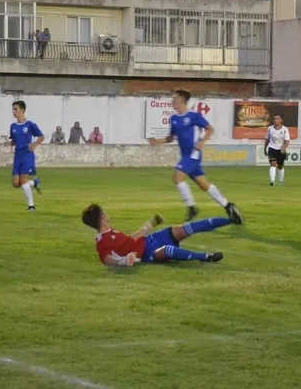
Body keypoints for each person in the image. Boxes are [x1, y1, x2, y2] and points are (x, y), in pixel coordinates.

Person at [148, 88, 243, 224]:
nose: (172, 101)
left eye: (175, 99)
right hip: (186, 156)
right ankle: (228, 206)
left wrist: (202, 141)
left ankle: (192, 207)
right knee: (204, 185)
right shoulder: (174, 118)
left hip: (193, 154)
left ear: (182, 101)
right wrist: (157, 141)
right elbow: (170, 138)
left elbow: (210, 129)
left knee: (177, 176)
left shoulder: (193, 116)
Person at [82, 204, 227, 267]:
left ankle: (230, 219)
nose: (107, 213)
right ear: (101, 218)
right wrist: (123, 261)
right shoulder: (102, 241)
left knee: (187, 228)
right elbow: (107, 260)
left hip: (151, 239)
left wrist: (151, 224)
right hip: (148, 253)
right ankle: (206, 257)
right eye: (104, 212)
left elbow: (132, 239)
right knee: (168, 250)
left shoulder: (111, 232)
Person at [5, 100, 44, 211]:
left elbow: (41, 136)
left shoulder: (30, 125)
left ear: (22, 110)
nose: (13, 111)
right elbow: (15, 141)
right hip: (17, 155)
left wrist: (35, 144)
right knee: (16, 183)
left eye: (15, 109)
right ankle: (34, 182)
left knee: (23, 180)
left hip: (27, 155)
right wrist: (9, 143)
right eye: (13, 109)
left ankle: (31, 206)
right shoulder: (13, 126)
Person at [264, 114, 290, 186]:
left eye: (277, 119)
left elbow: (287, 141)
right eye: (274, 119)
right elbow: (267, 139)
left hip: (281, 150)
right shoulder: (270, 128)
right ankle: (272, 181)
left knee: (280, 166)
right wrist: (264, 148)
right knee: (273, 164)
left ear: (281, 120)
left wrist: (283, 148)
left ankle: (281, 181)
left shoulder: (285, 129)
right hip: (272, 149)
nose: (275, 120)